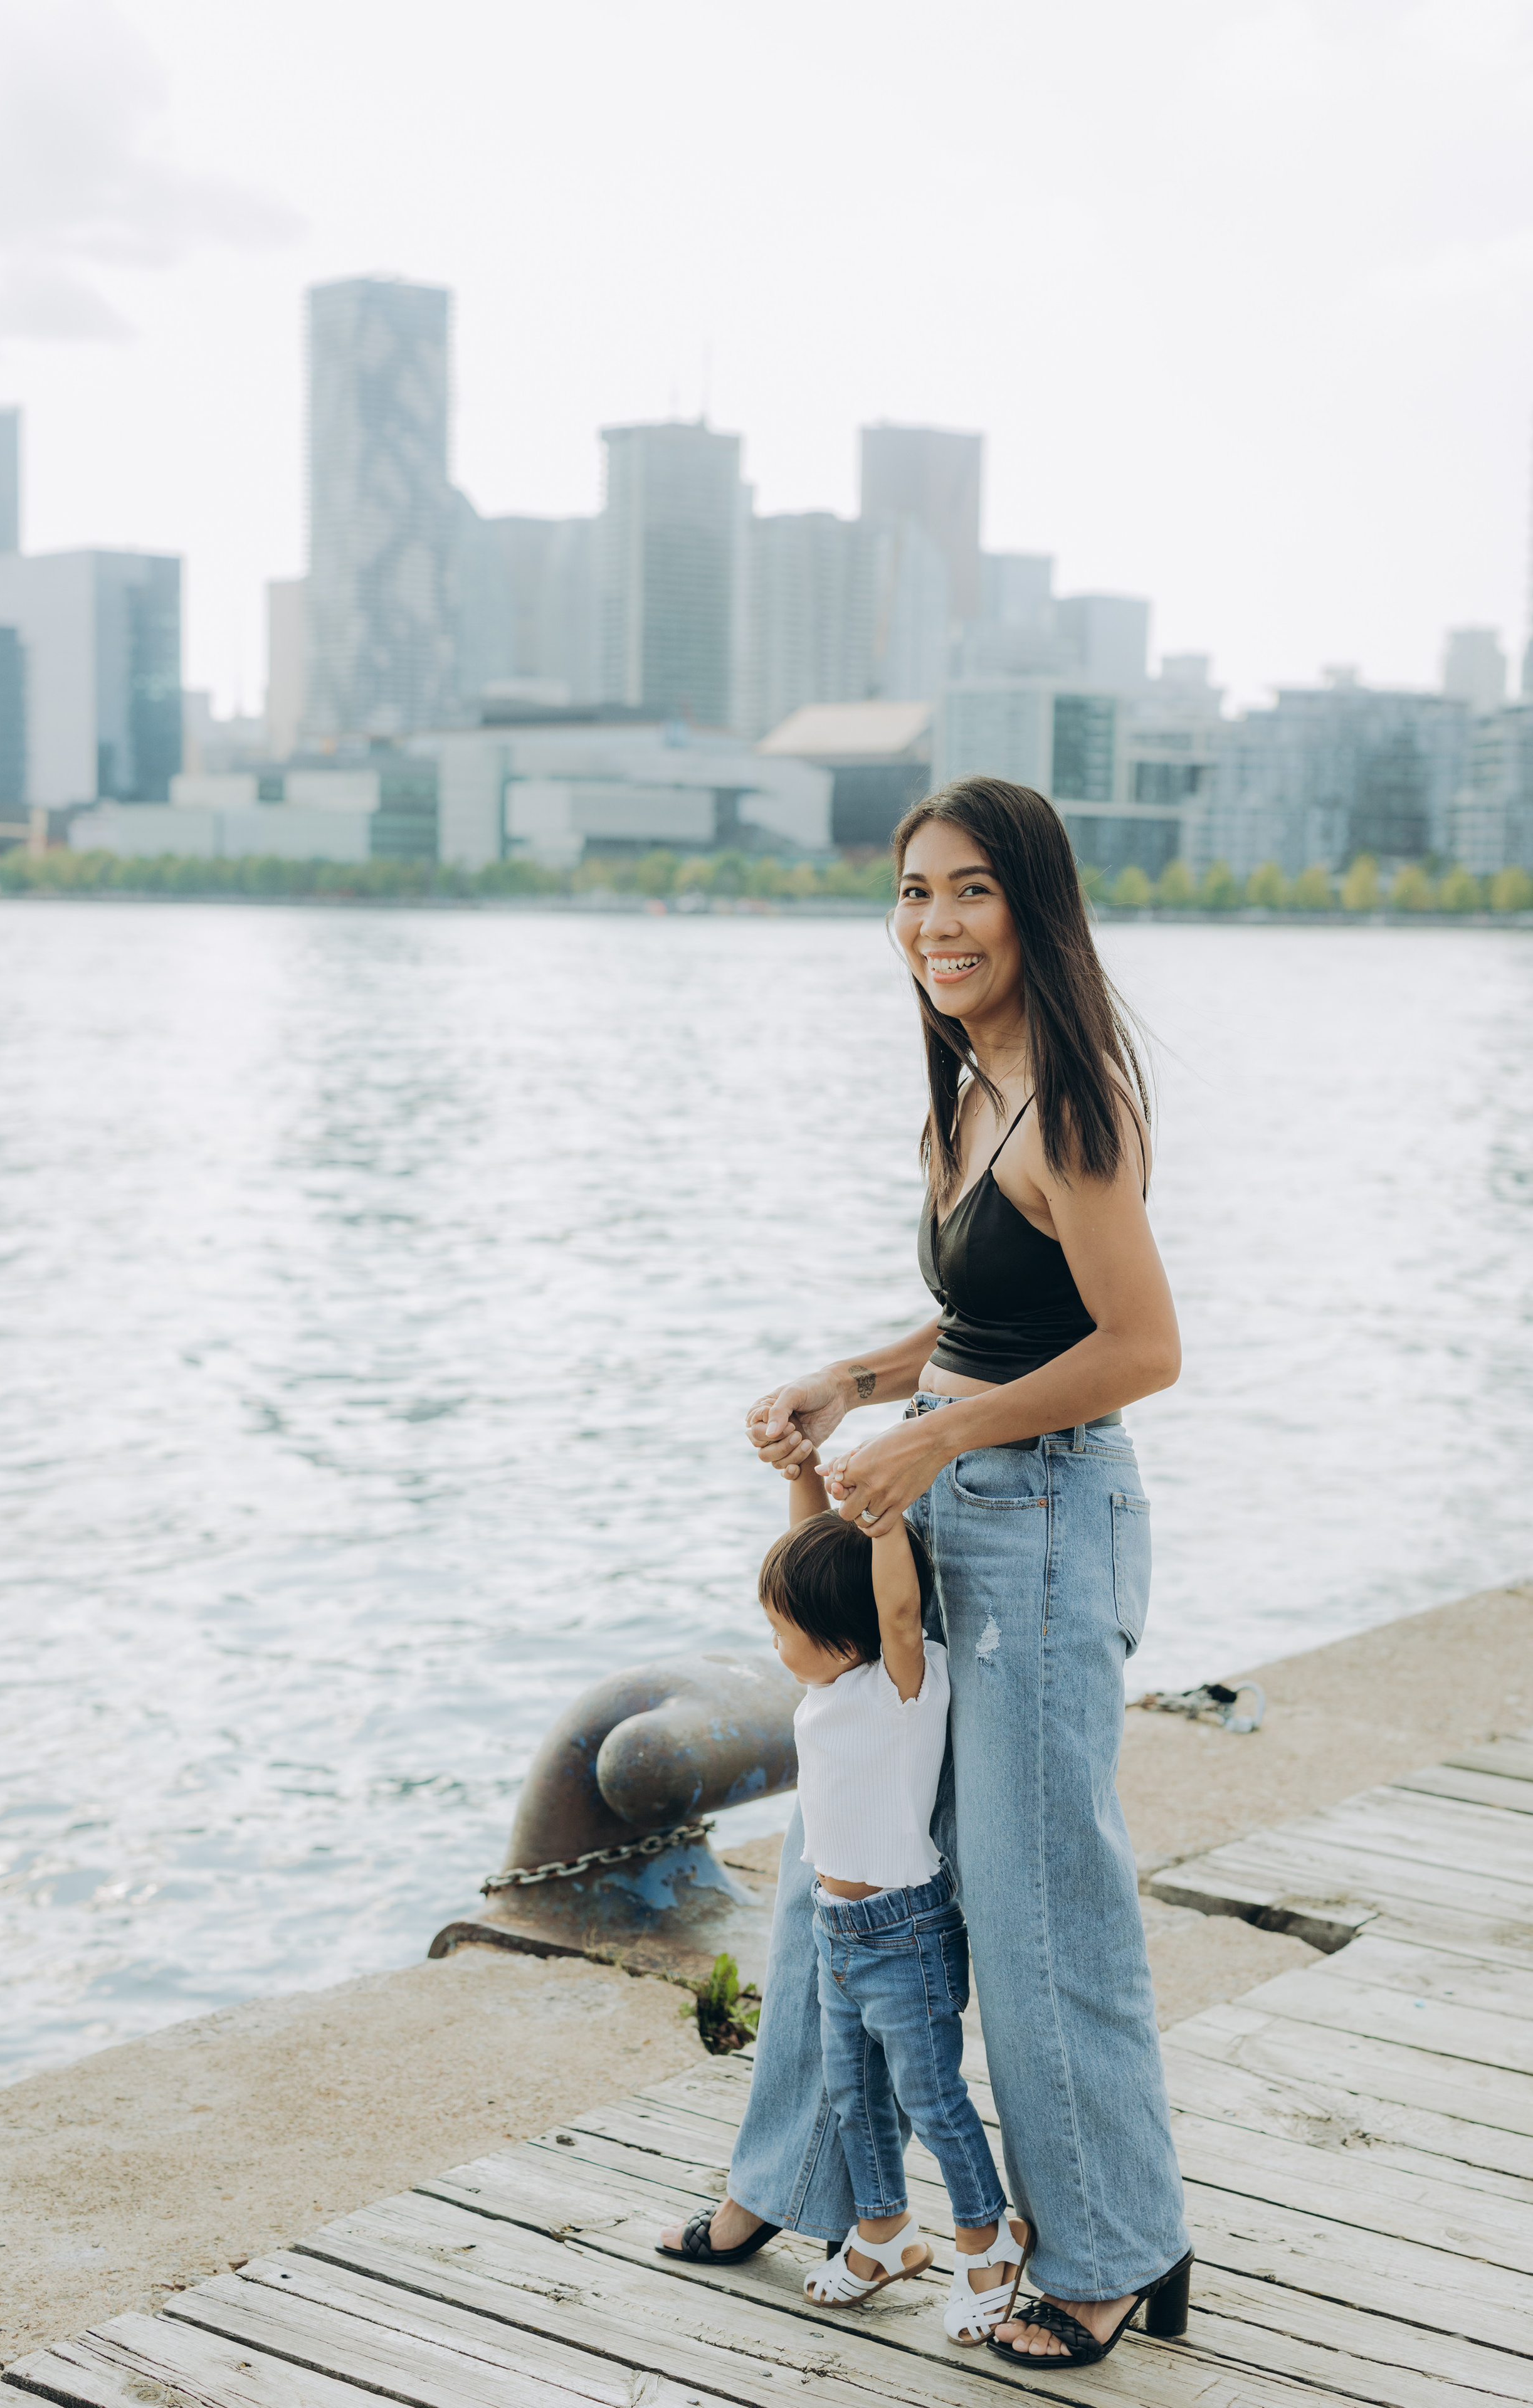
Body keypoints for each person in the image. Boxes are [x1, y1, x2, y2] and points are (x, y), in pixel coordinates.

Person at [660, 777, 1193, 2368]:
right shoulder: (970, 1083)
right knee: (853, 1851)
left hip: (1038, 1524)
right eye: (910, 894)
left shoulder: (1078, 1105)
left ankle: (1103, 2247)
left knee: (1033, 1912)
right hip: (957, 1505)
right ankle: (798, 2181)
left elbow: (1141, 1349)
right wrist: (860, 1382)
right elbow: (994, 1313)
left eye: (969, 893)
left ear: (1032, 908)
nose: (935, 925)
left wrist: (938, 1441)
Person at [748, 1433, 1031, 2338]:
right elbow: (811, 1572)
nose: (774, 1643)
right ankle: (883, 2232)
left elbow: (897, 1614)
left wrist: (884, 1521)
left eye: (779, 1631)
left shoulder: (901, 1686)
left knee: (929, 2096)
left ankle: (987, 2238)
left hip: (905, 1932)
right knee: (852, 2095)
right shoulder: (828, 1682)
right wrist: (805, 1482)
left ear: (838, 1636)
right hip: (840, 1927)